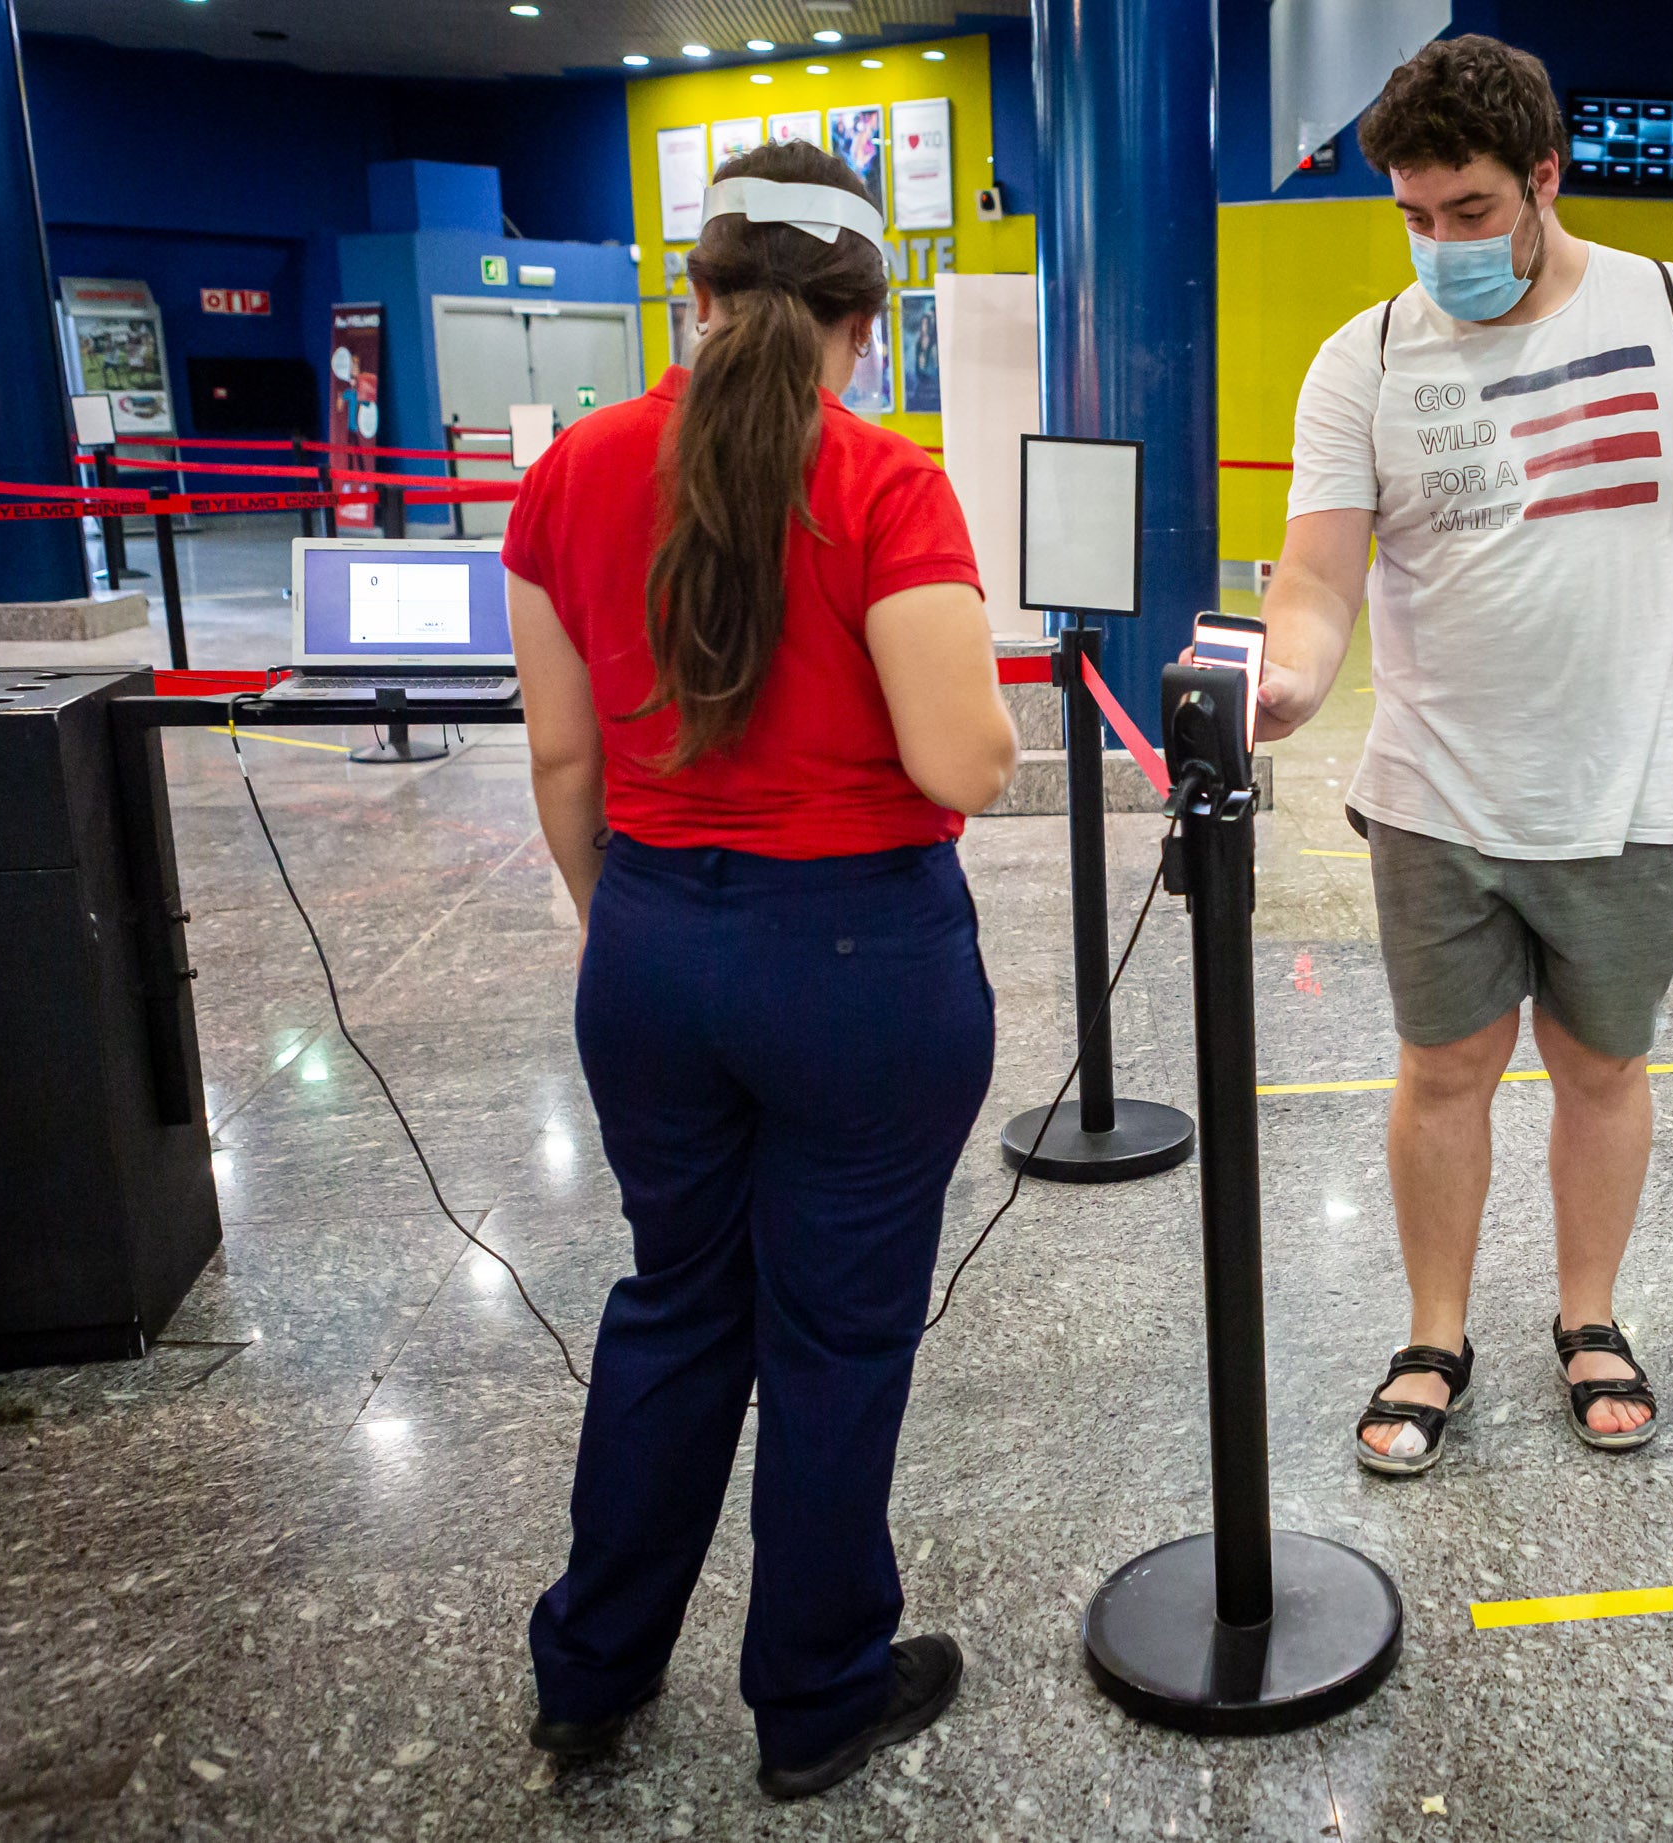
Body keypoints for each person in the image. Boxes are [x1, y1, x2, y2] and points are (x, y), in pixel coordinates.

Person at [501, 143, 1017, 1797]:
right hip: (860, 962)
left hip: (651, 944)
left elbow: (566, 768)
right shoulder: (883, 481)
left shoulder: (573, 471)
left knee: (673, 1304)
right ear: (866, 319)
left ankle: (591, 1670)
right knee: (836, 1340)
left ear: (701, 294)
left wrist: (634, 924)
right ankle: (812, 1701)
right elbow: (964, 763)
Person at [1254, 37, 1673, 1474]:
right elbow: (1316, 577)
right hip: (1436, 793)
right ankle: (1435, 1333)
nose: (1438, 243)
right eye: (1413, 216)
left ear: (1544, 181)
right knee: (1442, 1072)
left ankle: (1589, 1318)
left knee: (1603, 1070)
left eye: (1470, 212)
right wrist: (1292, 678)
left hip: (1628, 792)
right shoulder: (1367, 356)